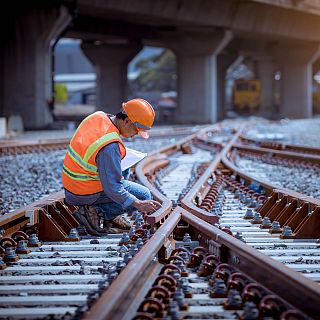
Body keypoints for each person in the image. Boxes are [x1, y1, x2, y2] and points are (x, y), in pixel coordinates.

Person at [62, 98, 161, 234]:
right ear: (126, 121)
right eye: (136, 130)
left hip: (72, 184)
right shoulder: (110, 146)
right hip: (83, 191)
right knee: (144, 195)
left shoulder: (98, 116)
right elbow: (113, 188)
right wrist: (138, 203)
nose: (135, 135)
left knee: (124, 167)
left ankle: (107, 215)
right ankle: (97, 212)